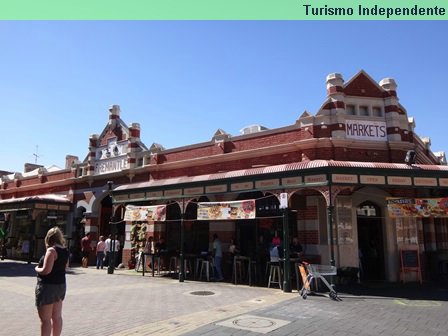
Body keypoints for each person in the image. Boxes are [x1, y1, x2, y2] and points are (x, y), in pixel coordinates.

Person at [35, 227, 69, 336]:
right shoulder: (65, 250)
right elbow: (66, 268)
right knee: (57, 316)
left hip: (48, 286)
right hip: (60, 285)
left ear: (48, 238)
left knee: (45, 319)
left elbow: (46, 271)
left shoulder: (51, 250)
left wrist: (36, 268)